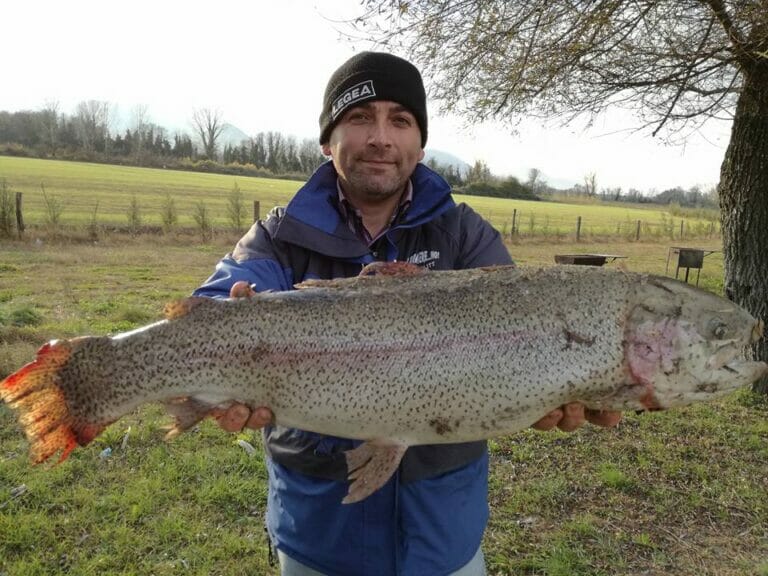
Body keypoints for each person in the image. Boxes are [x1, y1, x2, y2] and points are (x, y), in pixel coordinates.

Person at [195, 51, 621, 576]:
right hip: (318, 531)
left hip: (442, 533)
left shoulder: (466, 236)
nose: (380, 137)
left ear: (419, 145)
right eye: (359, 117)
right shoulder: (277, 237)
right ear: (329, 142)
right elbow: (213, 309)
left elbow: (524, 337)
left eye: (400, 120)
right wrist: (224, 330)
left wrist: (557, 390)